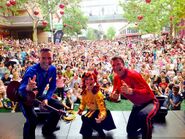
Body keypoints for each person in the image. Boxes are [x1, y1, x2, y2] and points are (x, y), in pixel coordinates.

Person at [18, 48, 64, 139]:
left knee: (58, 106)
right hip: (25, 97)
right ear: (39, 59)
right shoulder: (32, 71)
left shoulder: (53, 69)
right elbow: (20, 89)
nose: (47, 61)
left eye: (49, 58)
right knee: (32, 120)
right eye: (43, 58)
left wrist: (46, 98)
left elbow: (53, 86)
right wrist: (28, 87)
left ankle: (47, 129)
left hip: (38, 96)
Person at [110, 56, 159, 139]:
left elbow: (147, 92)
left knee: (143, 115)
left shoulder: (133, 74)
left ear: (123, 64)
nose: (116, 67)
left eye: (118, 64)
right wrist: (113, 97)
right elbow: (115, 95)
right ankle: (147, 124)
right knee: (130, 131)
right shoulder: (116, 78)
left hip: (151, 102)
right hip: (137, 106)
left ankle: (147, 126)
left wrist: (131, 91)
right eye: (113, 65)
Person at [78, 71, 116, 138]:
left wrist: (101, 117)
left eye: (91, 79)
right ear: (84, 80)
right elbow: (83, 103)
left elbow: (102, 108)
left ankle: (99, 131)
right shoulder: (84, 91)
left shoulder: (97, 93)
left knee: (88, 119)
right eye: (86, 79)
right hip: (90, 110)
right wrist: (80, 109)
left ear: (94, 80)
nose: (88, 81)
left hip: (98, 111)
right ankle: (96, 130)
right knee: (85, 119)